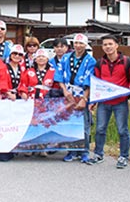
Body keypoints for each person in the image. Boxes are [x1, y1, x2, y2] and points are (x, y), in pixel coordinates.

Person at [88, 35, 130, 169]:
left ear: (116, 45)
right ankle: (98, 154)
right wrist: (93, 101)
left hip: (120, 101)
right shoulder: (99, 63)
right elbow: (96, 82)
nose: (108, 47)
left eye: (110, 44)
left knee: (122, 130)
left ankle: (123, 156)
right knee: (100, 129)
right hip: (104, 102)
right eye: (105, 45)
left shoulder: (127, 62)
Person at [54, 33, 96, 164]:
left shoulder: (91, 61)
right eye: (76, 43)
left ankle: (84, 151)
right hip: (69, 93)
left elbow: (90, 80)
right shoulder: (66, 58)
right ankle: (71, 150)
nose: (78, 46)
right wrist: (65, 91)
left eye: (81, 43)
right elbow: (59, 74)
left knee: (84, 124)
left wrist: (85, 98)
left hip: (82, 93)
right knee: (70, 122)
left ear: (86, 45)